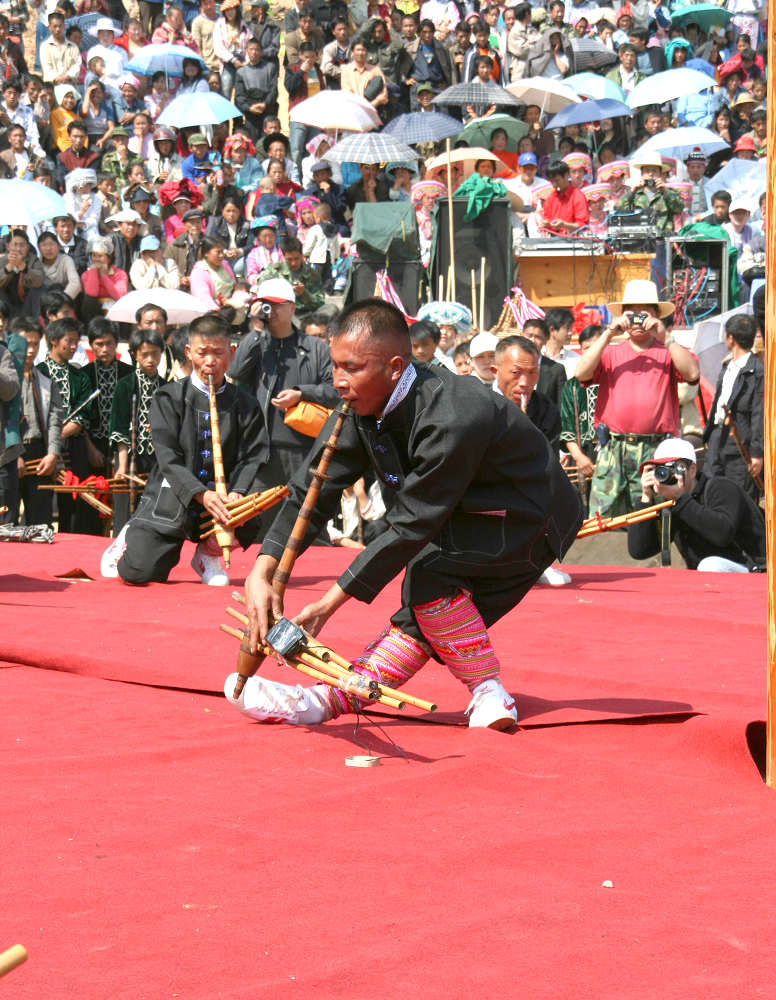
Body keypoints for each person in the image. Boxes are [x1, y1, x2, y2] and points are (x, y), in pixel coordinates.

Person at [226, 298, 581, 730]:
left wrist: (327, 604)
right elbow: (311, 491)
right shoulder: (359, 405)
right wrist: (263, 569)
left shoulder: (453, 413)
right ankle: (328, 702)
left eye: (352, 368)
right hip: (469, 512)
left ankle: (488, 688)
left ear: (395, 367)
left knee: (428, 576)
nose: (338, 381)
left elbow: (412, 523)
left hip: (530, 514)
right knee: (428, 612)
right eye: (335, 366)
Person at [101, 314, 266, 585]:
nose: (210, 361)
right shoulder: (168, 398)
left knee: (258, 502)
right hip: (174, 494)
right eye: (202, 353)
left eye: (218, 353)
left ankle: (208, 553)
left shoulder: (245, 403)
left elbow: (254, 455)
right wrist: (202, 494)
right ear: (189, 353)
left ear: (232, 353)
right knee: (138, 573)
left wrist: (237, 493)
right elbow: (168, 459)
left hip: (223, 499)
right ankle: (130, 533)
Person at [574, 279, 700, 518]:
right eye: (631, 313)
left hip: (656, 447)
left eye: (645, 313)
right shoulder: (610, 352)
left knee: (653, 514)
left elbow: (692, 374)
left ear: (656, 316)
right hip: (614, 448)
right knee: (603, 516)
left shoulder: (668, 352)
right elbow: (581, 373)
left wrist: (666, 337)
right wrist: (609, 332)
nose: (637, 320)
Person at [627, 437, 765, 573]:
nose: (666, 475)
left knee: (710, 565)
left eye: (672, 467)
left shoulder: (721, 488)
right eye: (660, 469)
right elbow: (639, 550)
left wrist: (681, 499)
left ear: (692, 469)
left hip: (755, 571)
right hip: (710, 580)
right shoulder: (672, 503)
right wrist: (645, 498)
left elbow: (722, 534)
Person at [702, 313, 763, 501]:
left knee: (739, 496)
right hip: (717, 438)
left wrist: (757, 453)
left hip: (740, 442)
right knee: (711, 489)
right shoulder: (727, 366)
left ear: (730, 338)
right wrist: (709, 432)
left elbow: (759, 414)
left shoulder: (757, 371)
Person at [15, 320, 63, 526]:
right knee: (6, 520)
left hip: (39, 454)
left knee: (41, 521)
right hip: (9, 455)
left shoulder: (45, 380)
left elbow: (55, 420)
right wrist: (14, 454)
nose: (31, 350)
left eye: (35, 344)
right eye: (26, 344)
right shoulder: (6, 379)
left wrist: (52, 453)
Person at [257, 236, 325, 320]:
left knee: (330, 309)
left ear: (302, 255)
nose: (293, 263)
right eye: (289, 259)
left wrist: (304, 294)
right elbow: (262, 293)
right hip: (282, 313)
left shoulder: (312, 273)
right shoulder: (274, 271)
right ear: (283, 256)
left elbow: (320, 303)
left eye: (297, 258)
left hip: (307, 314)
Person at [543, 160, 588, 235]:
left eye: (557, 180)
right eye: (551, 181)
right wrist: (546, 224)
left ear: (567, 175)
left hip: (575, 241)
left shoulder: (578, 196)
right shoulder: (551, 198)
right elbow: (547, 219)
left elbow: (583, 225)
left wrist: (564, 225)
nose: (554, 185)